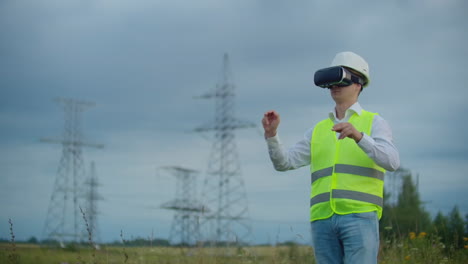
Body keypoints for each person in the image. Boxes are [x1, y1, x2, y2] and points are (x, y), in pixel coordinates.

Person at [261, 51, 400, 264]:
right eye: (332, 80)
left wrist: (360, 137)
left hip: (360, 216)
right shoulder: (318, 130)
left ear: (358, 83)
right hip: (322, 219)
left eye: (342, 79)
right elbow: (284, 163)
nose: (335, 85)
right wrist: (272, 136)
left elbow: (392, 161)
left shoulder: (375, 123)